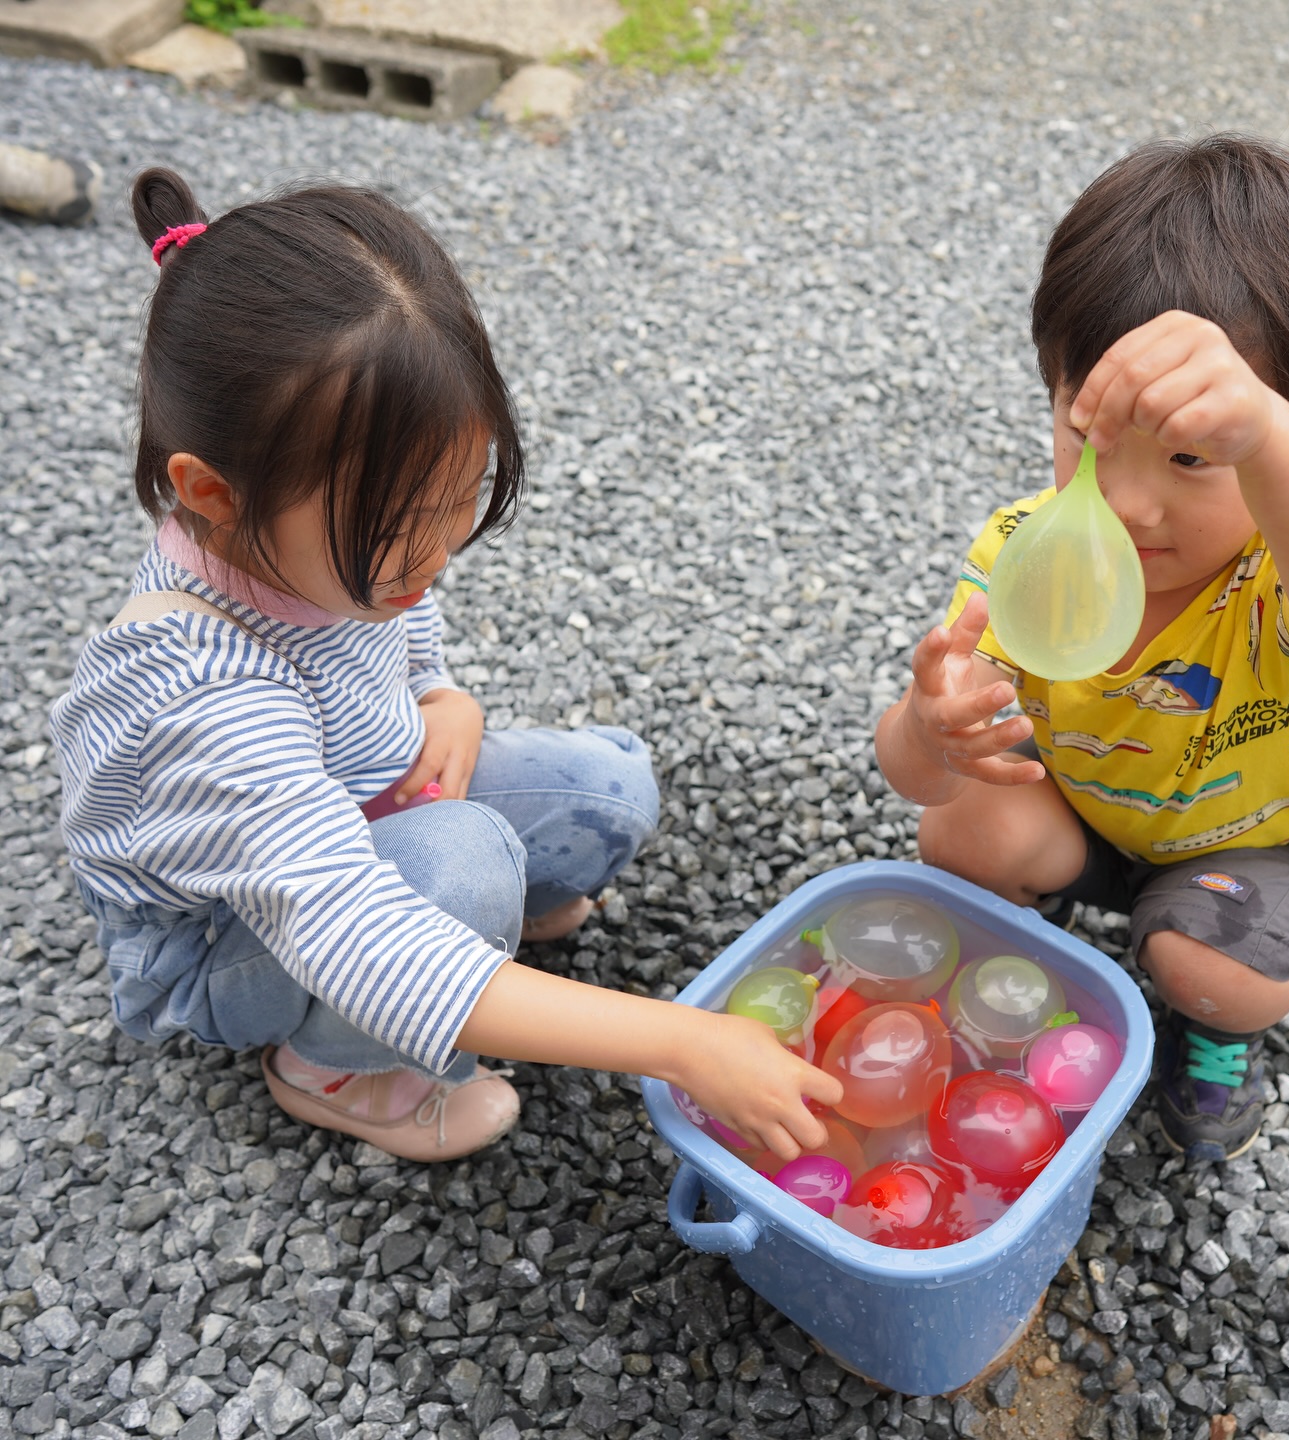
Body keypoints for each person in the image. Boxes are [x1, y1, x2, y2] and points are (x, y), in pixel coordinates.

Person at [52, 168, 840, 1164]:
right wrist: (680, 1041)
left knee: (608, 789)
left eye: (458, 497)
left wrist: (438, 692)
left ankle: (486, 932)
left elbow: (398, 616)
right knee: (464, 864)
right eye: (397, 526)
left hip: (356, 795)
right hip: (221, 935)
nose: (436, 556)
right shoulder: (196, 698)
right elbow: (358, 934)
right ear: (212, 493)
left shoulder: (317, 549)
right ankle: (333, 1071)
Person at [876, 135, 1289, 1163]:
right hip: (1081, 813)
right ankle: (1032, 962)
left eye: (1191, 456)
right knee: (961, 828)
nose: (1127, 502)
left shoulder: (1288, 575)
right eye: (1089, 439)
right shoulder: (1027, 552)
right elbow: (915, 774)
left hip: (1236, 848)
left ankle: (1213, 1022)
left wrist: (1266, 433)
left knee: (1215, 975)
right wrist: (928, 730)